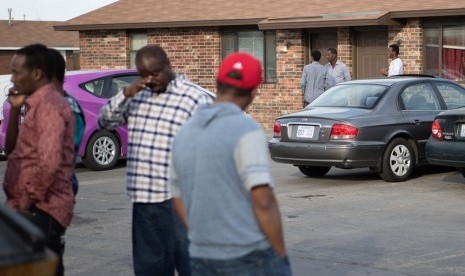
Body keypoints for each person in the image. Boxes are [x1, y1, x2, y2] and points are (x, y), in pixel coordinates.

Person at [170, 52, 292, 276]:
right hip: (247, 254)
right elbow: (263, 201)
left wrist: (203, 237)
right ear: (254, 92)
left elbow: (176, 197)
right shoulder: (246, 129)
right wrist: (280, 254)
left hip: (199, 255)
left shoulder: (184, 132)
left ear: (217, 83)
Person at [98, 45, 212, 276]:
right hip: (144, 201)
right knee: (150, 269)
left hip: (181, 203)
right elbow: (105, 122)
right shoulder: (137, 96)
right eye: (144, 75)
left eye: (155, 73)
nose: (150, 80)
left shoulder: (194, 98)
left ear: (168, 65)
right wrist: (126, 93)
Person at [3, 43, 75, 276]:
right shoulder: (35, 104)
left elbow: (49, 162)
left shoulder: (49, 106)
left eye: (16, 72)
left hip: (40, 209)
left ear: (36, 74)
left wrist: (26, 202)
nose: (12, 79)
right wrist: (15, 110)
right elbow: (12, 150)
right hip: (30, 208)